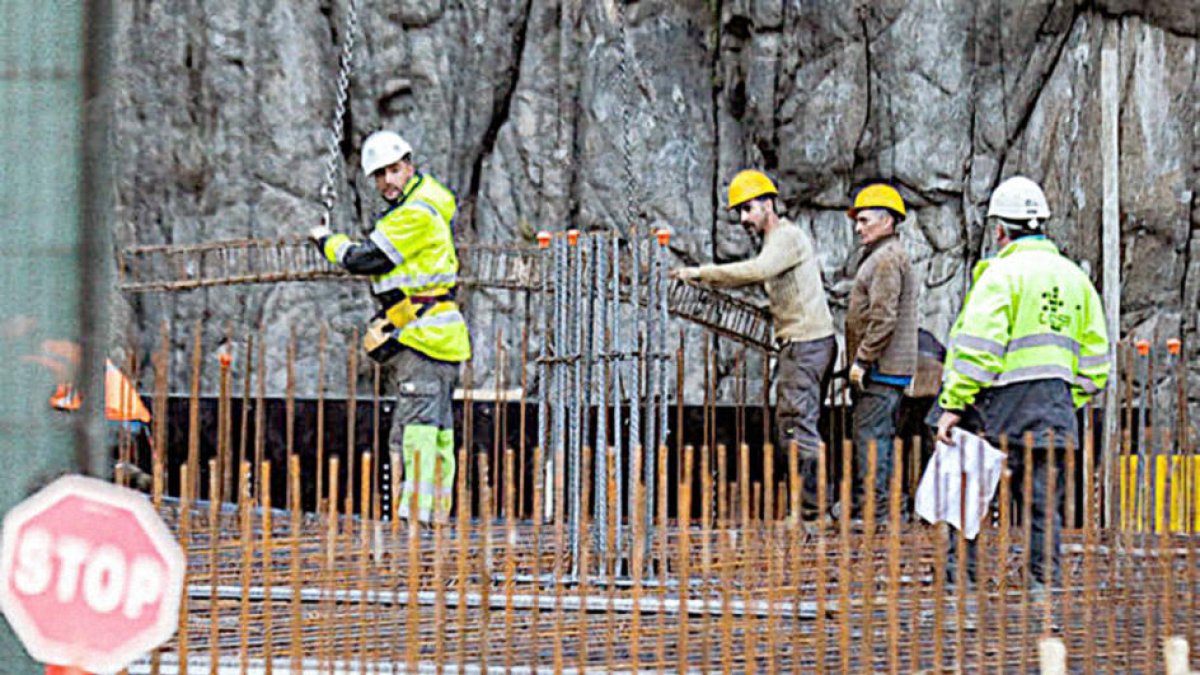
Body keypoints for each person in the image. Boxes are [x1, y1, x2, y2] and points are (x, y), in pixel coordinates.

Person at [932, 176, 1109, 587]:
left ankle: (963, 587)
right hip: (1053, 410)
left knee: (969, 502)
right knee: (1044, 509)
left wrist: (953, 404)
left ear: (999, 230)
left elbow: (977, 348)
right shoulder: (1075, 278)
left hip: (995, 410)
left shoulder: (1000, 273)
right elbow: (1096, 362)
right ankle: (1042, 591)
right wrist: (1066, 399)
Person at [310, 130, 471, 523]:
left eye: (394, 170)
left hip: (426, 340)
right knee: (437, 433)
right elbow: (411, 285)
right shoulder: (427, 204)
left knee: (416, 430)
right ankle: (433, 514)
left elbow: (367, 259)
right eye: (380, 175)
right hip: (434, 335)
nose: (387, 181)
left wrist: (326, 241)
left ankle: (414, 518)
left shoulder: (415, 214)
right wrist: (389, 321)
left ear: (409, 166)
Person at [673, 169, 836, 517]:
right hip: (805, 342)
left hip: (805, 344)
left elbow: (759, 270)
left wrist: (702, 273)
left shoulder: (784, 238)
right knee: (796, 423)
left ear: (768, 204)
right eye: (741, 212)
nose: (744, 218)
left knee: (796, 425)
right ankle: (814, 507)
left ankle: (811, 513)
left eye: (748, 209)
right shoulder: (779, 240)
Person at [844, 183, 918, 520]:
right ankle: (880, 507)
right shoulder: (885, 255)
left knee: (872, 438)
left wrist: (862, 359)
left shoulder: (887, 260)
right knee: (876, 436)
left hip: (881, 368)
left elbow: (883, 317)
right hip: (886, 368)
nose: (859, 228)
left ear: (888, 221)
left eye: (865, 220)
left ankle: (879, 511)